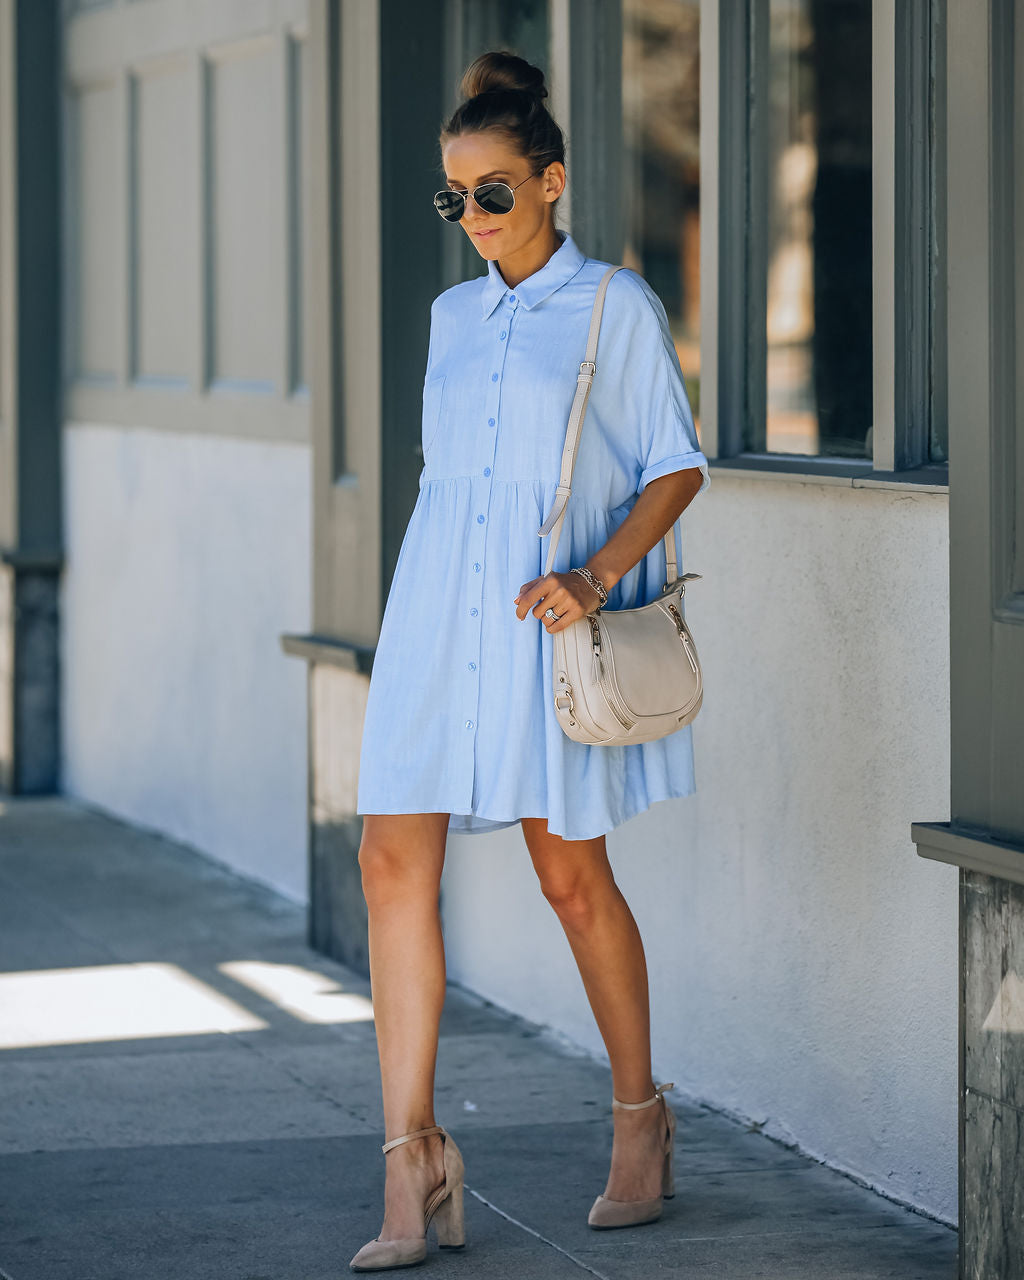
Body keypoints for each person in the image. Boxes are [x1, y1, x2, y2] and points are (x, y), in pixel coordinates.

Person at [350, 48, 710, 1273]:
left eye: (494, 193)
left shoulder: (615, 305)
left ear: (551, 181)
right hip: (431, 615)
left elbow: (675, 464)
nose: (472, 220)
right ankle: (412, 1161)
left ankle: (640, 1118)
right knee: (389, 855)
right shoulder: (454, 316)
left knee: (570, 876)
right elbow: (447, 482)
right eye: (454, 199)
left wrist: (594, 575)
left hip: (542, 623)